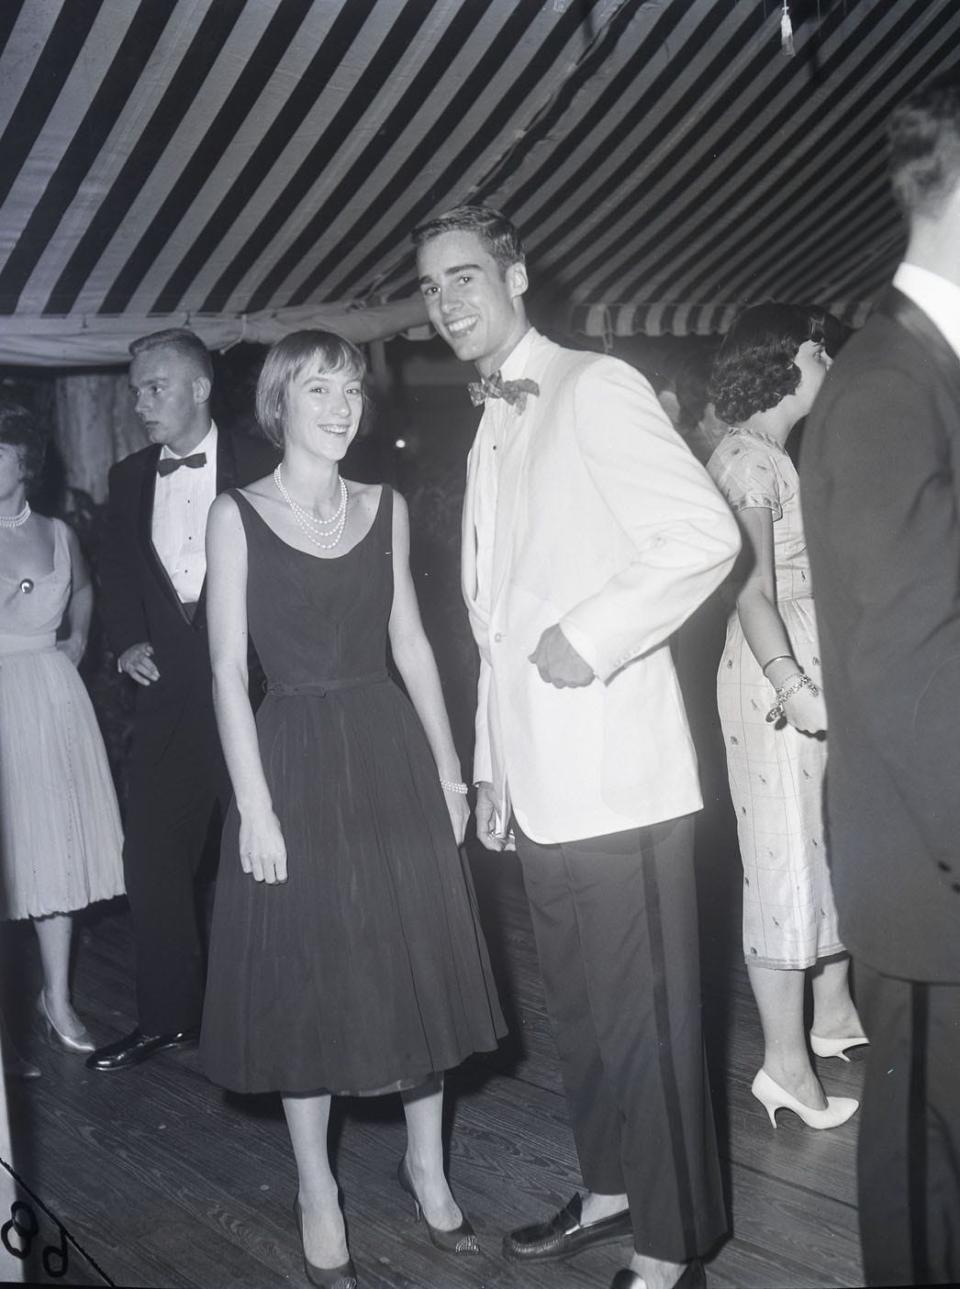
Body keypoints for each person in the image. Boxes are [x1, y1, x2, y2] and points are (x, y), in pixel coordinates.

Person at [415, 205, 740, 1289]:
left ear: (514, 274)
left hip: (620, 777)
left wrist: (591, 637)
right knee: (588, 1017)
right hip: (541, 780)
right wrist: (491, 759)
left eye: (464, 275)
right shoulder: (493, 419)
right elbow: (493, 621)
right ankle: (610, 1187)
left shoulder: (595, 385)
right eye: (430, 287)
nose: (447, 301)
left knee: (648, 1021)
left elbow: (704, 535)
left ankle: (673, 1244)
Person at [199, 331, 505, 1289]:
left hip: (388, 754)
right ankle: (315, 1189)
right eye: (316, 389)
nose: (339, 406)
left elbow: (413, 645)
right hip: (289, 755)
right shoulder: (235, 514)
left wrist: (452, 773)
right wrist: (254, 807)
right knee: (312, 981)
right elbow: (222, 668)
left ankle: (426, 1163)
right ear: (279, 405)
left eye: (348, 389)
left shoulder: (387, 506)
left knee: (414, 963)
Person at [801, 75, 960, 1288]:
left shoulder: (924, 369)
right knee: (924, 1187)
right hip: (935, 870)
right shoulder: (888, 387)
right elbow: (909, 664)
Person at [88, 328, 277, 1073]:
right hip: (164, 697)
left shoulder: (266, 461)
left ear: (199, 388)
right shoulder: (129, 475)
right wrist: (126, 640)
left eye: (154, 387)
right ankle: (167, 1018)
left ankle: (274, 1012)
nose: (139, 404)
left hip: (255, 696)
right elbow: (117, 571)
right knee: (154, 858)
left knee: (265, 854)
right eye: (135, 389)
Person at [705, 304, 864, 1134]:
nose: (828, 361)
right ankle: (783, 1065)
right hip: (774, 669)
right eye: (817, 349)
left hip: (801, 650)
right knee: (779, 864)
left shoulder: (770, 454)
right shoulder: (744, 460)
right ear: (781, 361)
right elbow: (751, 588)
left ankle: (829, 1021)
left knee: (817, 847)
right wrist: (793, 684)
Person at [0, 400, 124, 1070]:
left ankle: (59, 997)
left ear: (24, 463)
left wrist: (77, 635)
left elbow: (81, 589)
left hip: (48, 696)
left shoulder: (56, 531)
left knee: (55, 849)